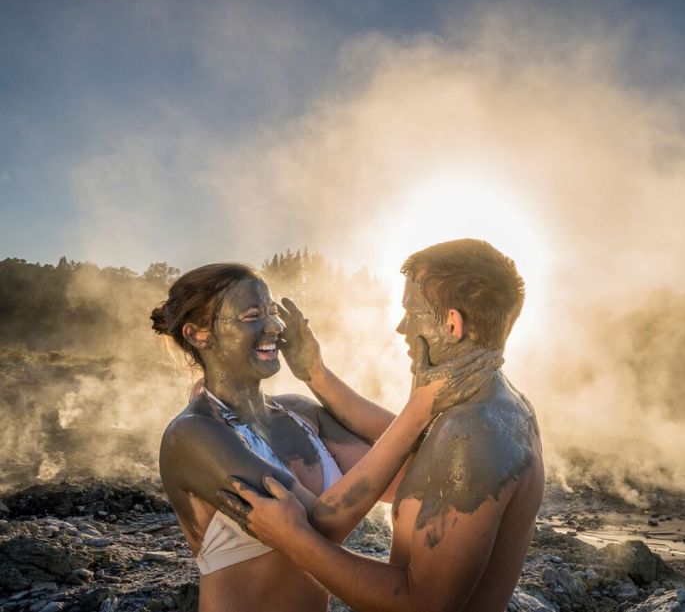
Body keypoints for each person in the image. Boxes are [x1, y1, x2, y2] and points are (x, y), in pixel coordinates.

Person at [152, 263, 498, 612]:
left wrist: (315, 373)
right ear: (199, 334)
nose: (274, 325)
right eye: (252, 315)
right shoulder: (193, 434)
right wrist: (418, 409)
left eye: (272, 312)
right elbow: (316, 529)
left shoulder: (301, 414)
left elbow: (419, 472)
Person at [224, 239, 545, 612]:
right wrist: (314, 372)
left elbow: (422, 603)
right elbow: (404, 436)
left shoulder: (471, 434)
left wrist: (293, 539)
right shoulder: (497, 402)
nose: (401, 326)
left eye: (411, 310)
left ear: (452, 324)